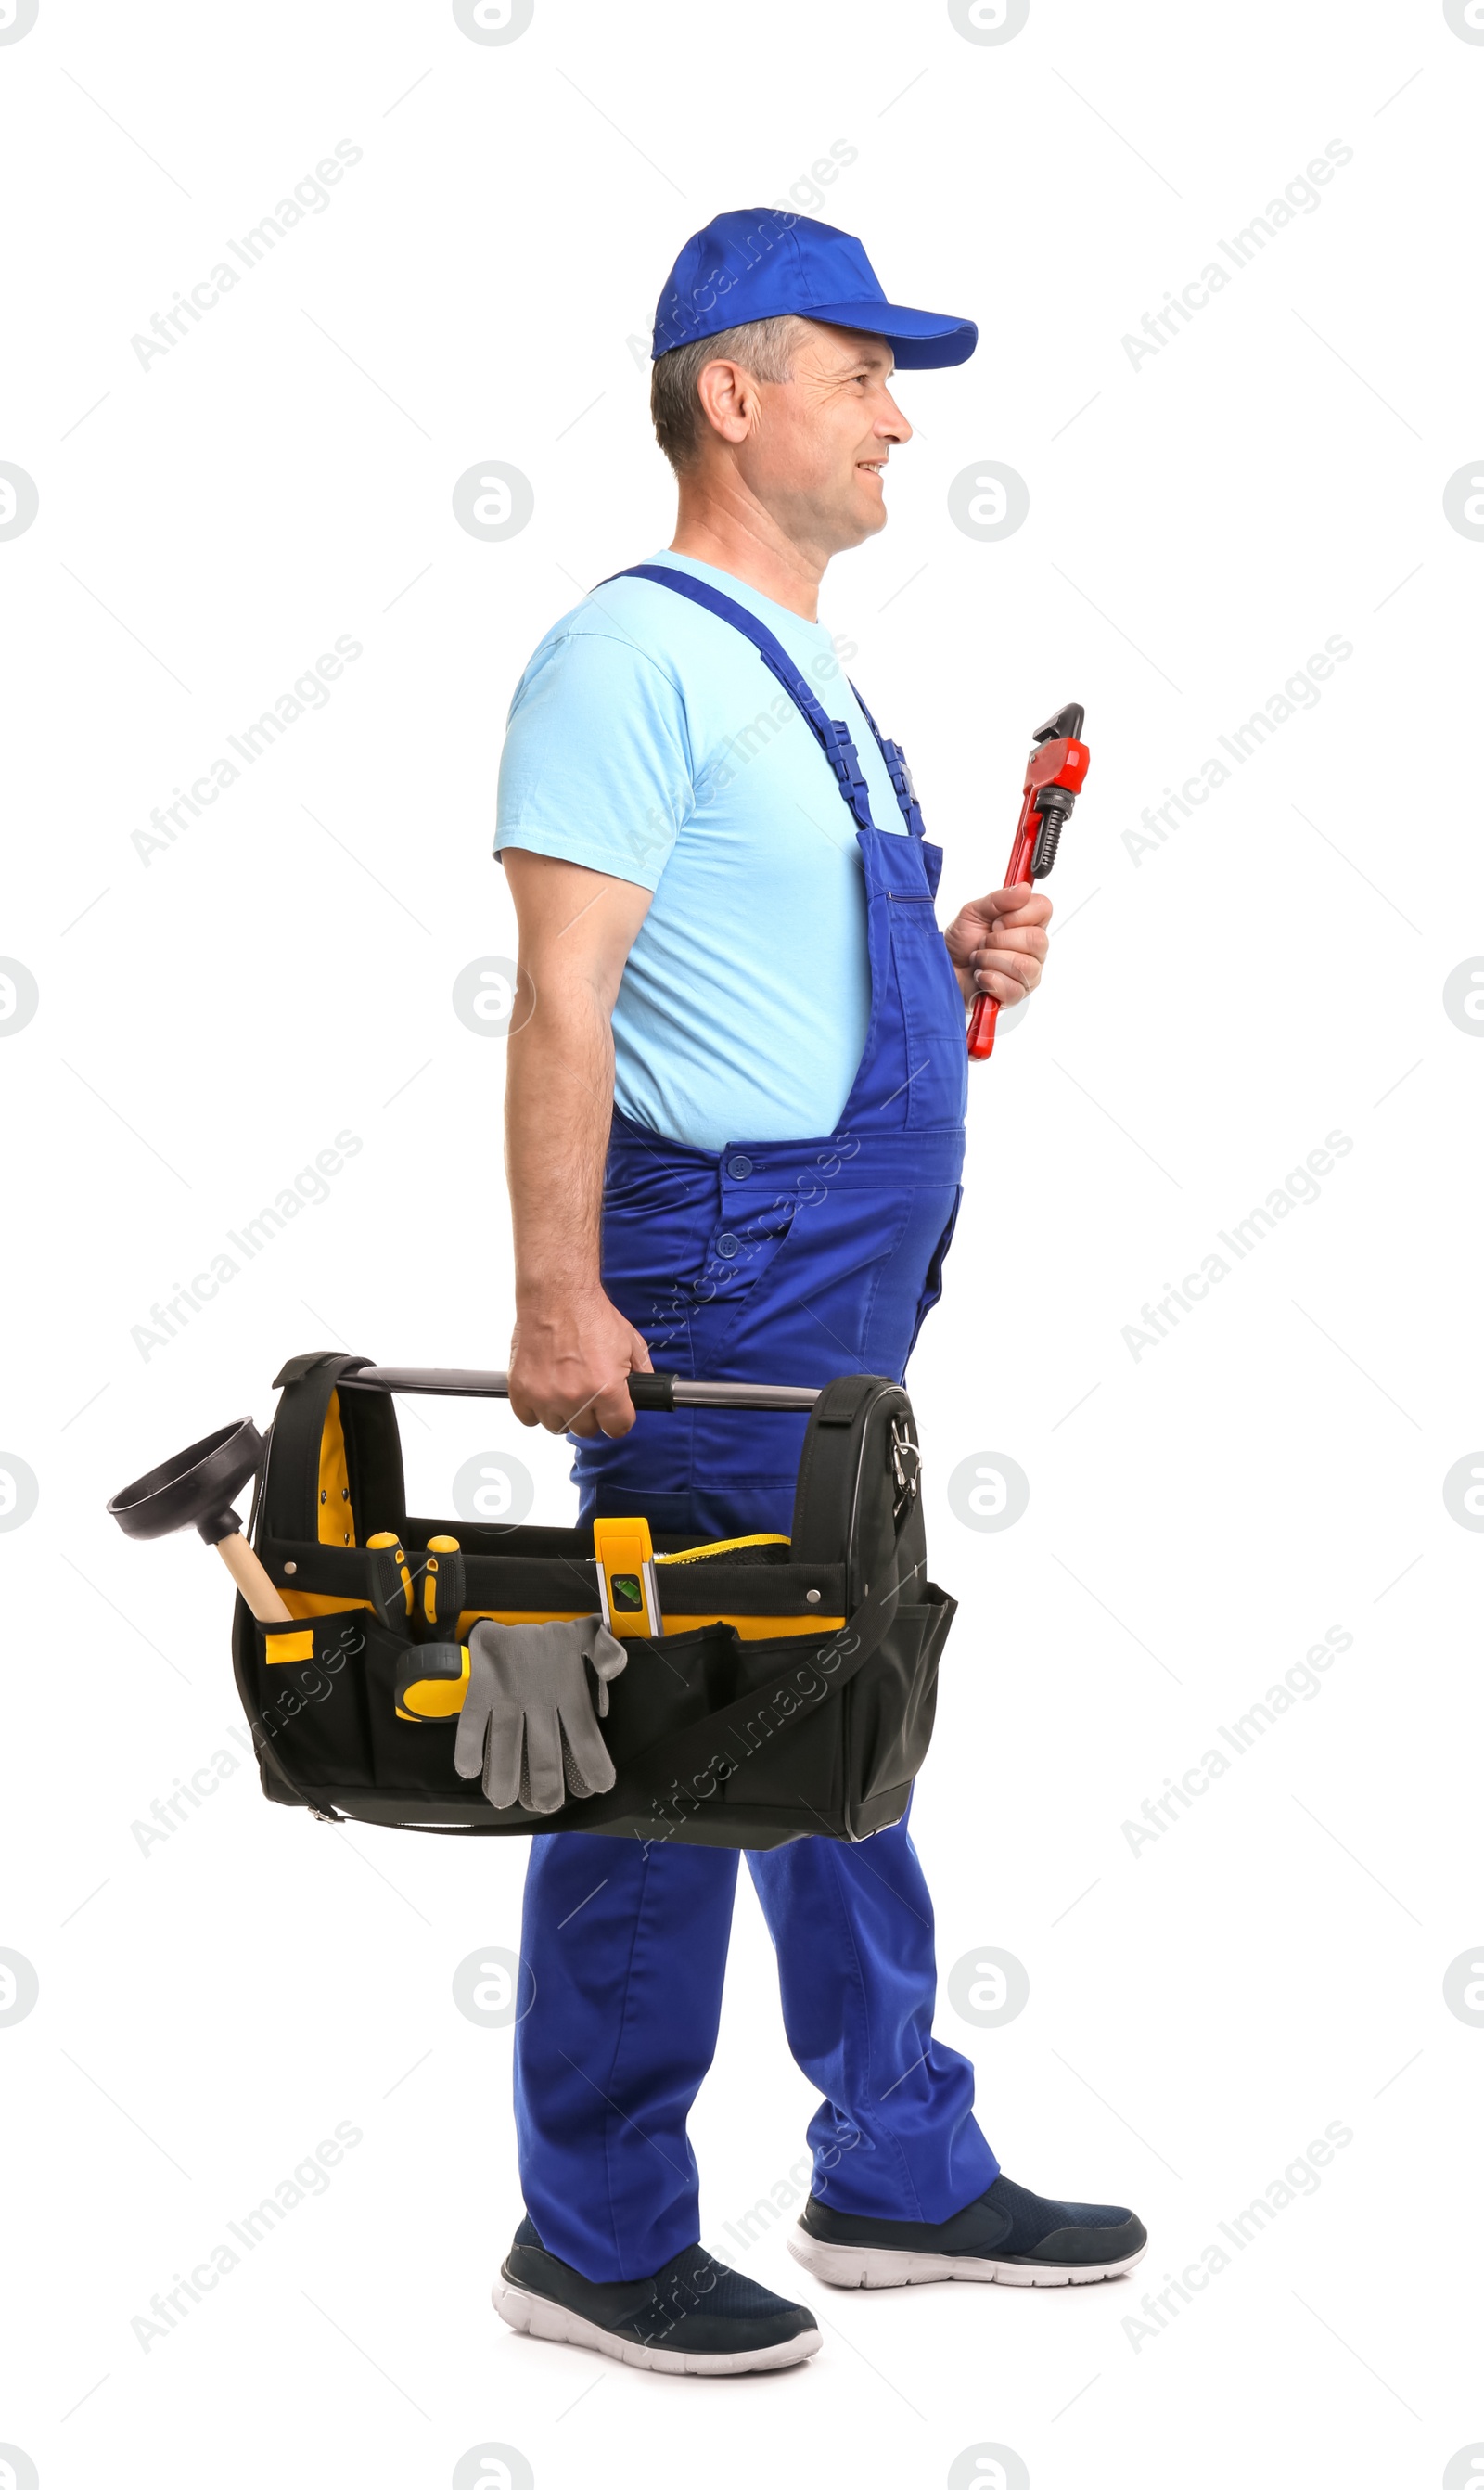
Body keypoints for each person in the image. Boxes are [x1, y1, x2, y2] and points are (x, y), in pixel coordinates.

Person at [491, 208, 1145, 2377]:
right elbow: (565, 1005)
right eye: (860, 373)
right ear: (729, 393)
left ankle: (892, 2153)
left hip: (838, 1274)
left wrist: (942, 969)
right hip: (710, 1283)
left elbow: (740, 980)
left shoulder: (804, 672)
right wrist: (557, 1295)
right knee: (669, 1740)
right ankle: (592, 2224)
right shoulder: (625, 658)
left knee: (825, 1698)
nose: (894, 416)